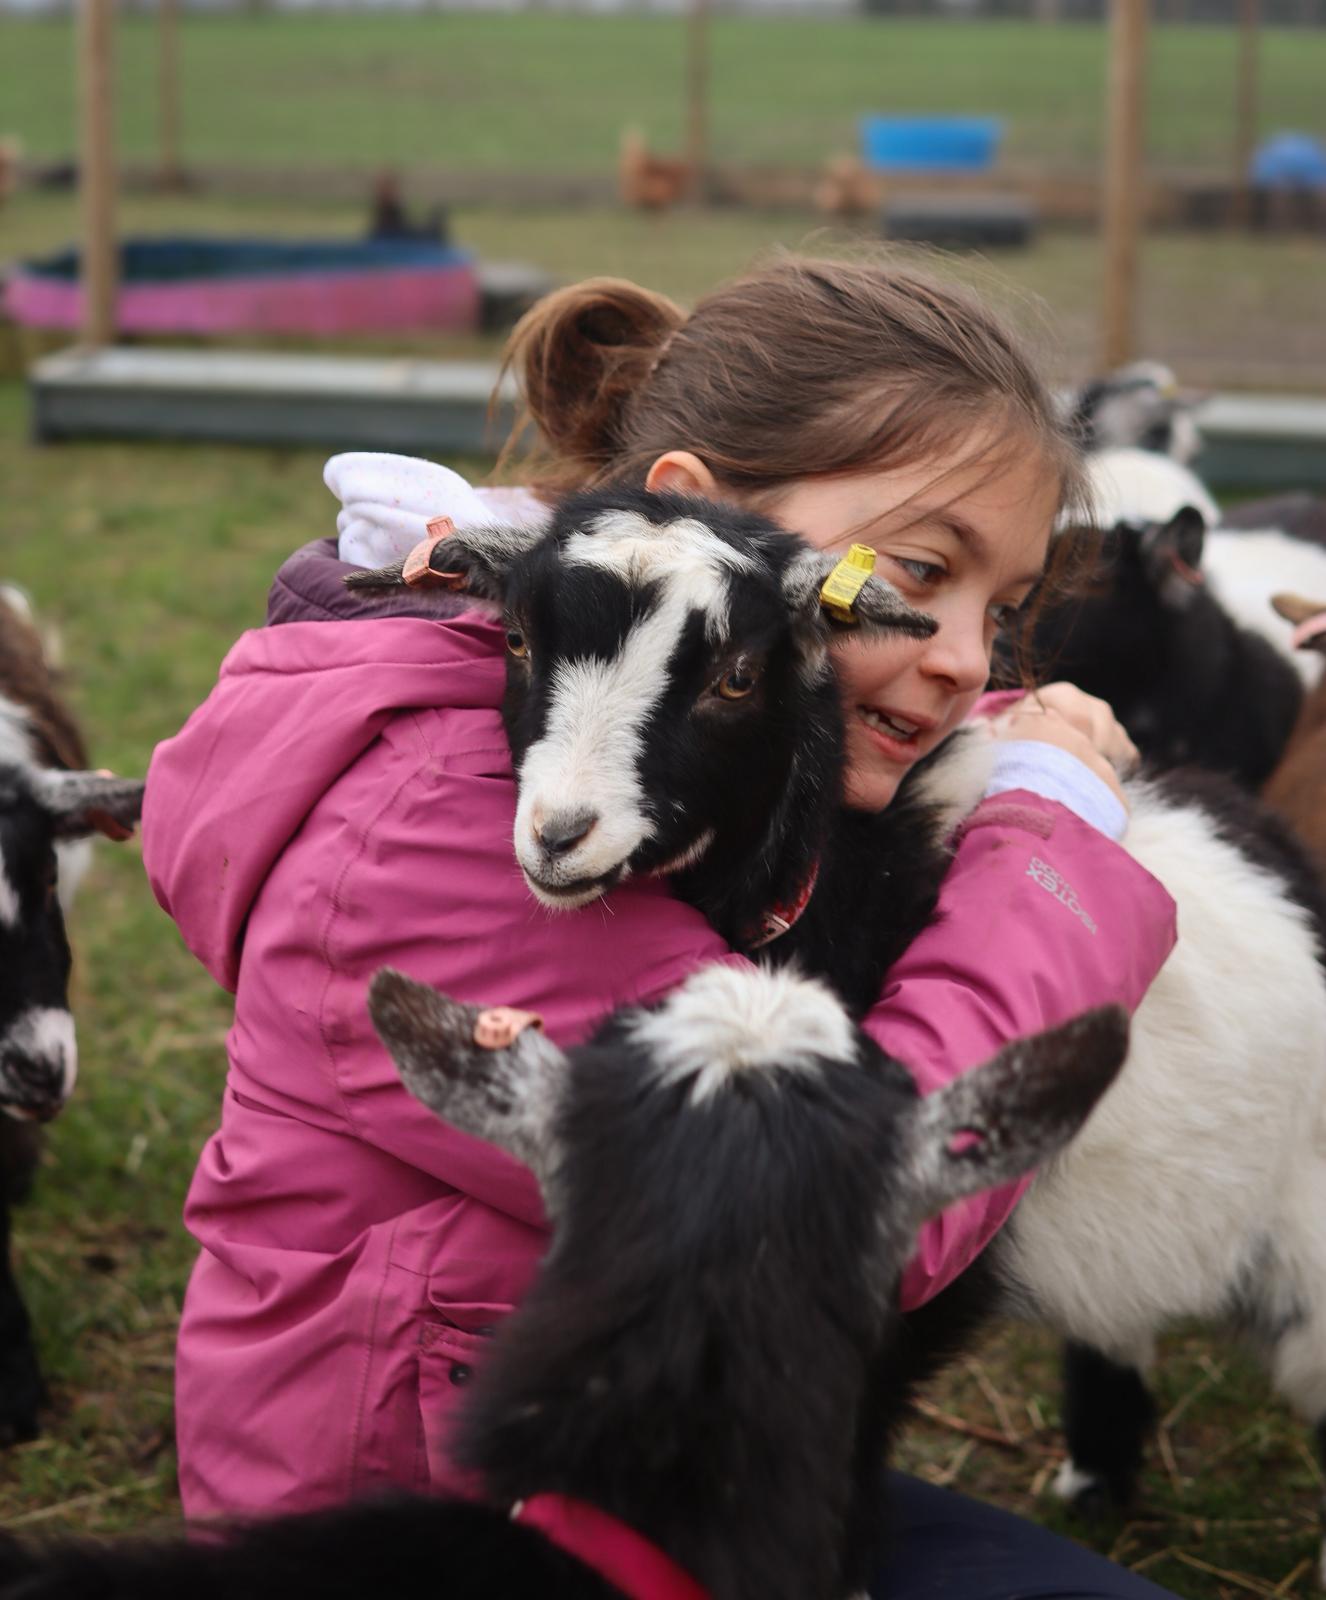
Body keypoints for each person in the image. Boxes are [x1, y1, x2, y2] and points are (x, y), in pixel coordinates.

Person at [143, 258, 1178, 1596]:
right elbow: (854, 1206)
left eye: (1007, 611)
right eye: (921, 574)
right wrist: (1046, 840)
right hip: (441, 1523)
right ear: (688, 521)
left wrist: (999, 747)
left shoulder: (703, 736)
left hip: (687, 1472)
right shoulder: (447, 826)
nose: (969, 657)